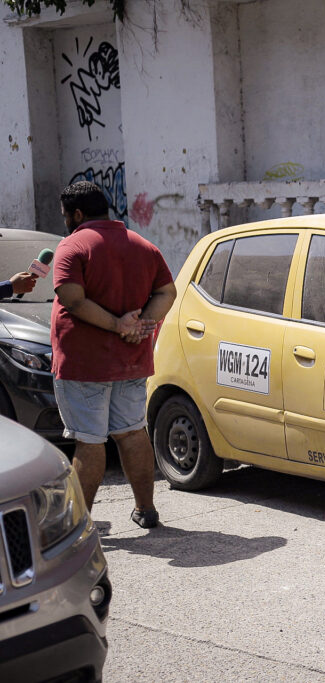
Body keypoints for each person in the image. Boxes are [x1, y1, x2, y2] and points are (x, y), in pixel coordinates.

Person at [51, 180, 177, 529]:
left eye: (65, 215)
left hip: (85, 365)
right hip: (132, 362)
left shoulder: (73, 245)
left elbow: (72, 299)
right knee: (133, 431)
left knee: (89, 442)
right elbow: (168, 290)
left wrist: (119, 325)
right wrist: (141, 325)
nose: (65, 221)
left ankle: (78, 526)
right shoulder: (143, 245)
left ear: (77, 214)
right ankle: (146, 510)